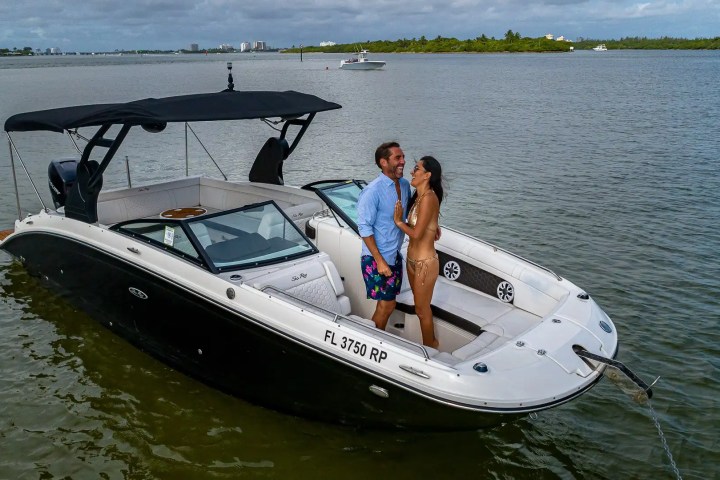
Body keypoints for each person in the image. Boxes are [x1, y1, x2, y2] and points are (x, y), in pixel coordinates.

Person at [357, 142, 412, 330]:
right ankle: (374, 339)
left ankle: (375, 336)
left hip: (394, 255)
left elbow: (406, 217)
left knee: (387, 303)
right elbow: (364, 228)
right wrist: (379, 261)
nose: (403, 161)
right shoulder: (372, 191)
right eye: (398, 158)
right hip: (376, 258)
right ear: (383, 162)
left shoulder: (404, 185)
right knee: (387, 304)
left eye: (403, 157)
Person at [393, 156, 443, 348]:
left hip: (425, 264)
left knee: (422, 310)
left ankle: (431, 348)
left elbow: (417, 232)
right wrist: (434, 227)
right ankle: (431, 345)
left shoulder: (429, 198)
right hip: (413, 262)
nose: (412, 172)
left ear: (427, 175)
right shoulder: (419, 197)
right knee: (419, 308)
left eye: (417, 169)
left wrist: (398, 222)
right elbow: (425, 226)